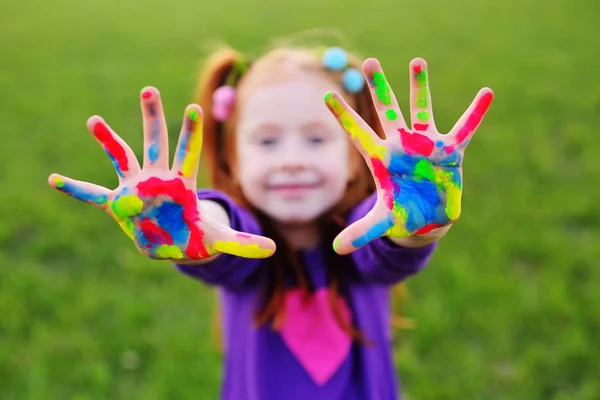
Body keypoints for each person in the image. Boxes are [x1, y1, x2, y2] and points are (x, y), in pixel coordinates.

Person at [48, 43, 493, 399]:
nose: (292, 161)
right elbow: (228, 238)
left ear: (357, 162)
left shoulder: (367, 229)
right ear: (234, 160)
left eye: (317, 139)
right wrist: (195, 222)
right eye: (267, 141)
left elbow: (388, 254)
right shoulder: (242, 240)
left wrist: (420, 225)